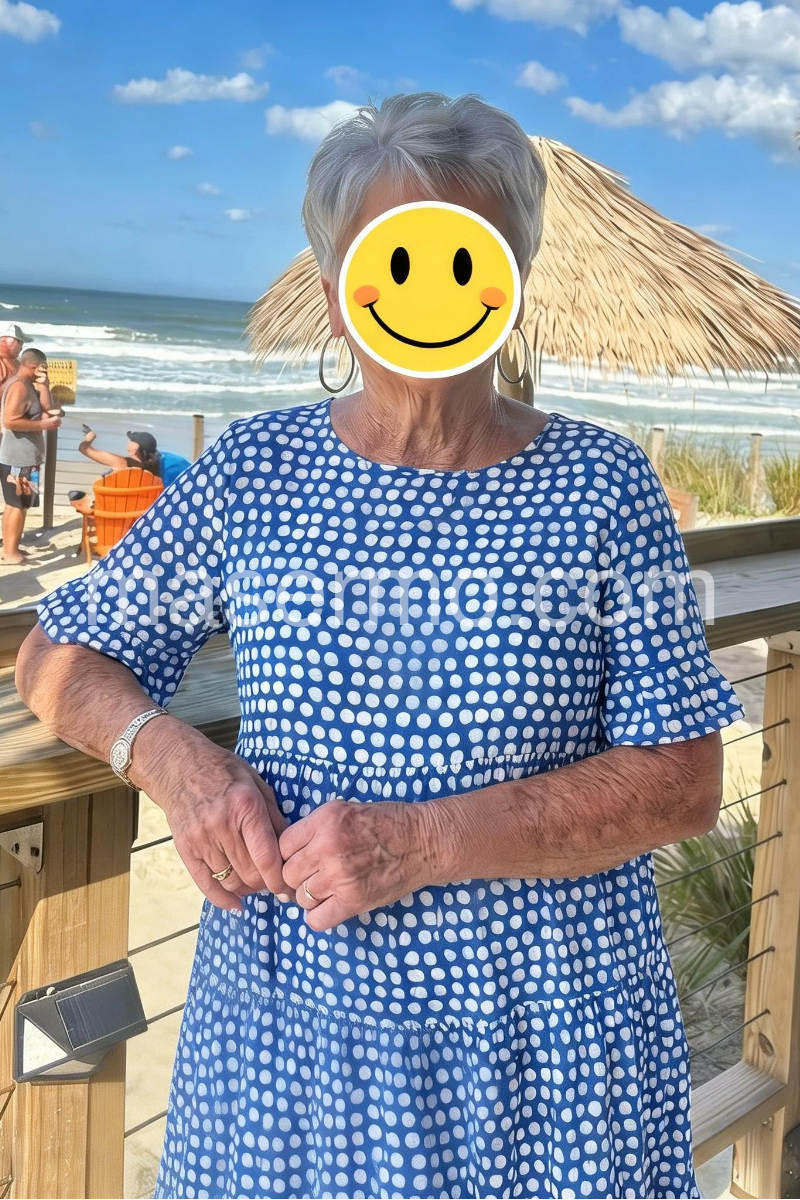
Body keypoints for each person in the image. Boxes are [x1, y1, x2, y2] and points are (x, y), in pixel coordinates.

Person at [16, 93, 744, 1200]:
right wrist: (175, 763)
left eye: (464, 261)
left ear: (512, 282)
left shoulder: (605, 485)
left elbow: (682, 782)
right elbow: (60, 655)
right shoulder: (255, 472)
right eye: (394, 264)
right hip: (294, 1040)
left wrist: (427, 839)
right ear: (333, 293)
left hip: (546, 1043)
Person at [1, 347, 60, 564]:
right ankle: (11, 553)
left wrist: (44, 385)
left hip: (25, 457)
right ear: (35, 367)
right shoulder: (19, 386)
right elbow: (10, 420)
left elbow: (47, 407)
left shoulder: (29, 385)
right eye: (44, 368)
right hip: (18, 457)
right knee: (17, 504)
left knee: (19, 504)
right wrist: (44, 425)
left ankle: (11, 548)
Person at [78, 426, 190, 487]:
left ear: (134, 449)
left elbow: (84, 449)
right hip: (142, 510)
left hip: (117, 510)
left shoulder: (121, 463)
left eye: (129, 442)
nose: (127, 444)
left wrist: (90, 437)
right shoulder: (158, 466)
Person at [0, 322, 32, 388]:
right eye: (19, 342)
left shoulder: (15, 363)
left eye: (22, 343)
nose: (21, 347)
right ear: (10, 341)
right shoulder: (4, 363)